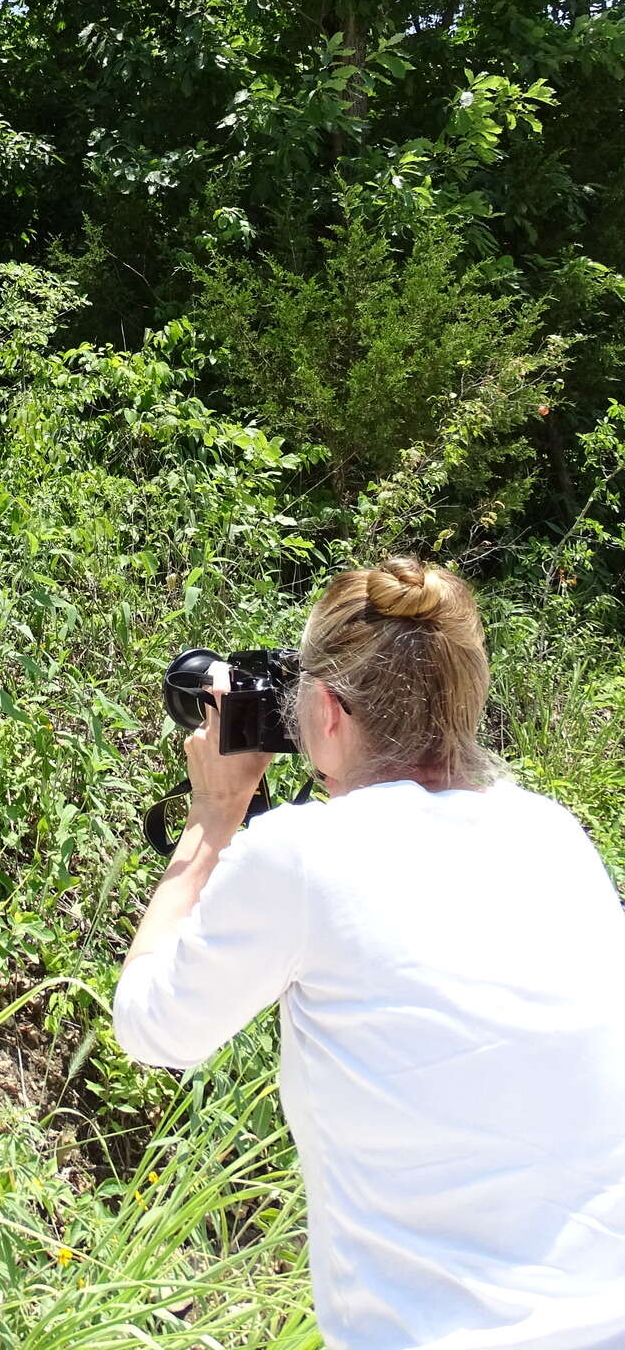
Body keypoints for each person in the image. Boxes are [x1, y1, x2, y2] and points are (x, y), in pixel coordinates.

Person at [113, 555, 625, 1350]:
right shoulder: (555, 837)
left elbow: (150, 1027)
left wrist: (214, 816)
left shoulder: (306, 855)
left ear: (323, 709)